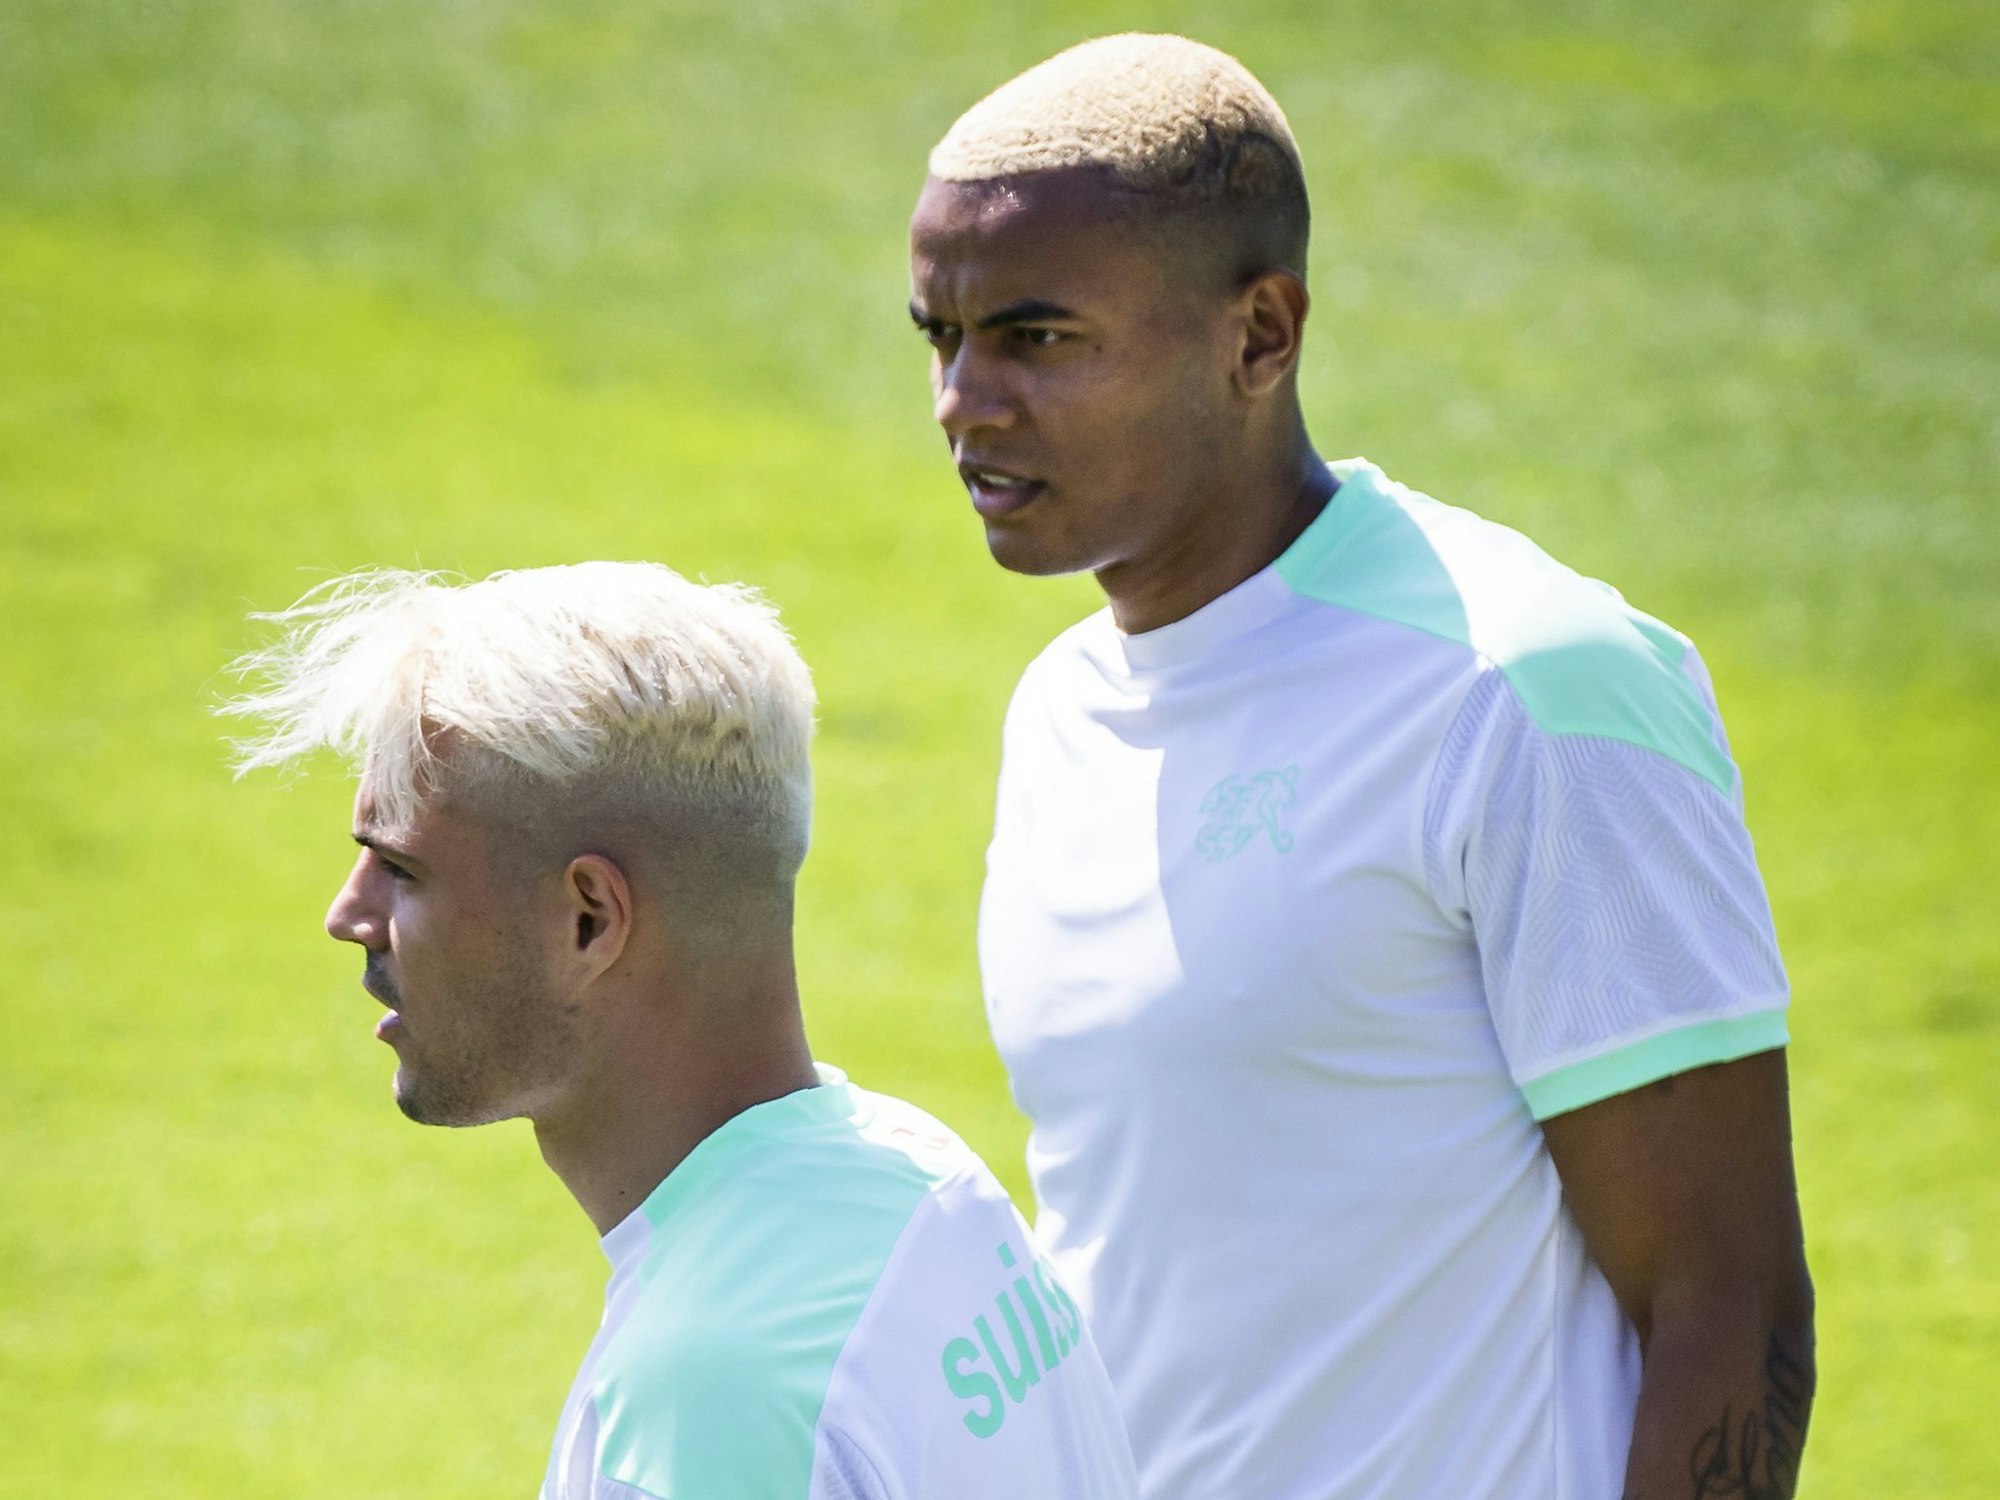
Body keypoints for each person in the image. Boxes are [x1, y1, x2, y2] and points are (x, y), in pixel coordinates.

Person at [908, 33, 1814, 1500]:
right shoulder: (1061, 708)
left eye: (1037, 337)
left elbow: (1735, 1314)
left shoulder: (1526, 690)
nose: (963, 402)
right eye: (939, 337)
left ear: (1260, 335)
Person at [226, 562, 1140, 1500]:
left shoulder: (707, 1396)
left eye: (401, 872)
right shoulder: (924, 1179)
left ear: (589, 918)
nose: (349, 915)